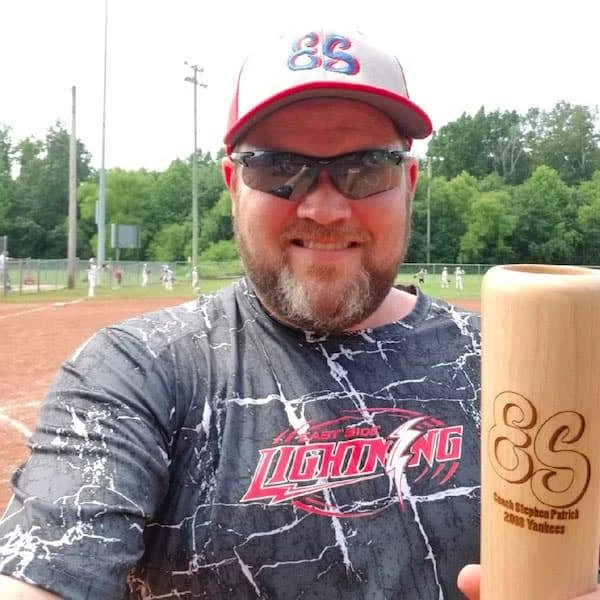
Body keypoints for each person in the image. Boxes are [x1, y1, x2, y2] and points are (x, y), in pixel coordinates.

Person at [0, 27, 593, 600]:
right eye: (279, 167)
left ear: (408, 181)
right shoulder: (136, 372)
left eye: (366, 167)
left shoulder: (514, 369)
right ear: (234, 183)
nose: (325, 208)